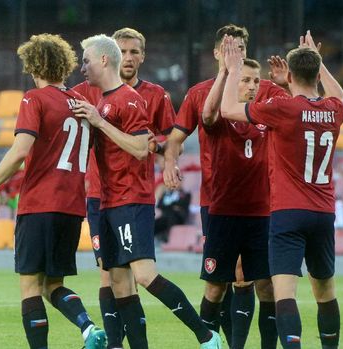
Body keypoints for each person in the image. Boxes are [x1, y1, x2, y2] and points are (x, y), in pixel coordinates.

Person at [72, 34, 221, 349]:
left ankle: (206, 336)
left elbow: (142, 147)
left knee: (143, 275)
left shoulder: (129, 98)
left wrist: (100, 123)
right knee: (117, 281)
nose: (81, 66)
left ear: (102, 60)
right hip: (108, 199)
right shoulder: (99, 98)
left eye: (86, 60)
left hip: (131, 199)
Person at [0, 33, 107, 349]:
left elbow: (19, 152)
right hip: (72, 208)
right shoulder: (80, 104)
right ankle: (87, 327)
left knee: (30, 285)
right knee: (53, 284)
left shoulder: (35, 98)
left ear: (33, 64)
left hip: (39, 204)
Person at [219, 31, 343, 349]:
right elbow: (341, 97)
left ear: (289, 74)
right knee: (325, 292)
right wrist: (317, 66)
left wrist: (234, 68)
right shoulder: (335, 110)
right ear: (316, 73)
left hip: (288, 212)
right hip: (323, 212)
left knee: (285, 292)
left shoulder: (282, 107)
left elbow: (228, 110)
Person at [164, 24, 284, 347]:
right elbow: (178, 137)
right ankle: (217, 341)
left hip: (259, 203)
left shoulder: (264, 89)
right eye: (231, 49)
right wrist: (168, 161)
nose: (237, 55)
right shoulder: (201, 93)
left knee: (246, 277)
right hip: (215, 199)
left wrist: (285, 83)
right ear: (217, 52)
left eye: (242, 49)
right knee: (224, 280)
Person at [74, 27, 176, 349]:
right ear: (111, 56)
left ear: (142, 56)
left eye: (135, 52)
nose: (129, 58)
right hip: (97, 193)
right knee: (109, 274)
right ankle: (117, 344)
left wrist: (157, 150)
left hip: (132, 193)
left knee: (136, 277)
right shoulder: (87, 87)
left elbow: (171, 142)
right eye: (124, 51)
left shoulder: (155, 95)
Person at [200, 54, 289, 349]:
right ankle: (209, 344)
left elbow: (294, 112)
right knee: (214, 288)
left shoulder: (265, 115)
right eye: (245, 80)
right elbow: (207, 116)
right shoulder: (222, 118)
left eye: (255, 81)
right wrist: (225, 72)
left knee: (266, 287)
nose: (252, 86)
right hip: (223, 214)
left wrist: (285, 86)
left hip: (262, 215)